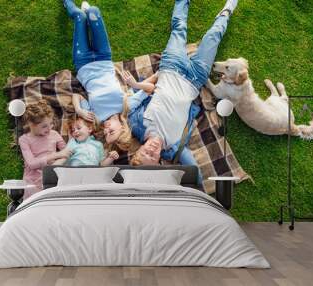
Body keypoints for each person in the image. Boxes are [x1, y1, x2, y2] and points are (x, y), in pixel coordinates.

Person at [131, 0, 238, 183]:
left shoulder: (137, 125)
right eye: (153, 156)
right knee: (213, 36)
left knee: (179, 28)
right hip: (195, 78)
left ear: (139, 149)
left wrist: (146, 82)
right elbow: (195, 173)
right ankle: (228, 9)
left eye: (145, 152)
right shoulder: (175, 147)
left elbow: (132, 101)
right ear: (160, 161)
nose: (151, 150)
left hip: (171, 66)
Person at [63, 0, 153, 156]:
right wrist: (135, 84)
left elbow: (76, 96)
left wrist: (79, 109)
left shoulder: (94, 118)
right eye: (110, 131)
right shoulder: (127, 106)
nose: (105, 129)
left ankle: (70, 6)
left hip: (83, 63)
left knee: (79, 17)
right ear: (122, 127)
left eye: (105, 133)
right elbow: (151, 89)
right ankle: (89, 16)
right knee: (94, 12)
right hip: (104, 58)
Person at [19, 100, 72, 198]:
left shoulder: (54, 134)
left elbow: (67, 152)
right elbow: (32, 164)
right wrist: (55, 155)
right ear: (31, 124)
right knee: (33, 207)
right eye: (44, 126)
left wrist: (53, 166)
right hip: (32, 182)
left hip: (52, 177)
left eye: (51, 124)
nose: (49, 128)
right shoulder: (24, 140)